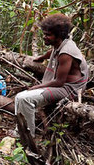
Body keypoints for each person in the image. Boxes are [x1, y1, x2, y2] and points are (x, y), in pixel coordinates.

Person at [14, 14, 88, 146]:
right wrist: (42, 57)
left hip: (70, 90)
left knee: (23, 98)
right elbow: (53, 51)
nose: (44, 37)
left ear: (58, 36)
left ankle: (28, 136)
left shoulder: (66, 53)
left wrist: (35, 87)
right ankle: (20, 130)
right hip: (64, 85)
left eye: (48, 35)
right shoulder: (62, 43)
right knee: (20, 97)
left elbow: (59, 82)